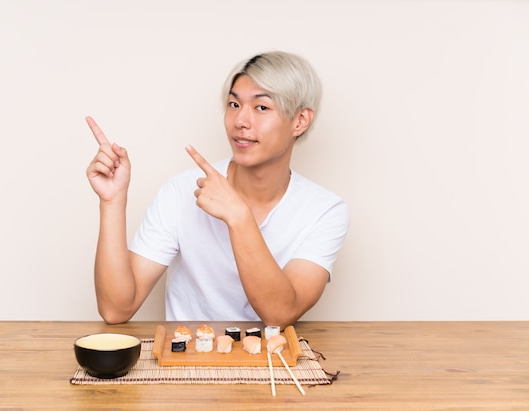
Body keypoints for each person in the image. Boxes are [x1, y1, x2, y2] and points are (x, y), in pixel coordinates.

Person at [86, 51, 349, 329]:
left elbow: (280, 314)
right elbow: (116, 309)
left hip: (272, 367)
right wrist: (112, 201)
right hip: (188, 364)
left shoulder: (325, 211)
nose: (240, 121)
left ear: (300, 121)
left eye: (261, 108)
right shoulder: (181, 191)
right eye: (234, 104)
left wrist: (238, 216)